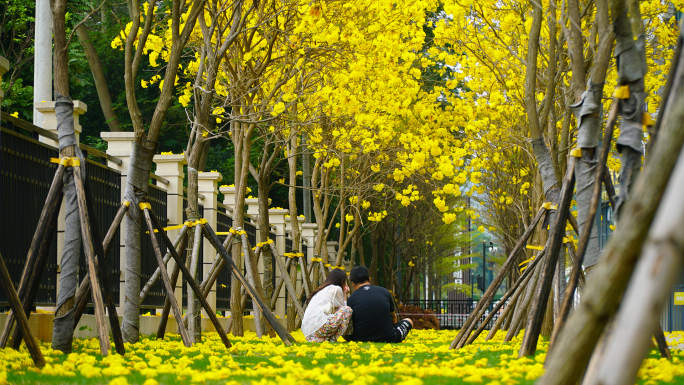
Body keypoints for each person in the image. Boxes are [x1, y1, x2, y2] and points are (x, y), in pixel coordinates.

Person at [345, 265, 413, 343]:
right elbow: (394, 317)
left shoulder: (351, 299)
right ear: (369, 280)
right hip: (388, 337)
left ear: (353, 284)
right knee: (409, 320)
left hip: (360, 338)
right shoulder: (384, 292)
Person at [301, 268, 353, 342]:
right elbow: (343, 308)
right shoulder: (337, 289)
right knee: (347, 310)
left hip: (310, 332)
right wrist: (345, 294)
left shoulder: (323, 289)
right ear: (342, 280)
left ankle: (328, 339)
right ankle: (347, 337)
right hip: (320, 328)